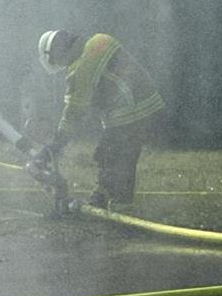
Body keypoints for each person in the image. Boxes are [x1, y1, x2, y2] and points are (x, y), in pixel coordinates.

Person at [34, 29, 165, 208]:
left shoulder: (80, 69)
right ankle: (119, 200)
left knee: (109, 152)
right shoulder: (99, 40)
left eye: (55, 60)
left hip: (128, 110)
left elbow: (74, 112)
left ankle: (105, 199)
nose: (58, 64)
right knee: (125, 154)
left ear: (57, 52)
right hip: (150, 102)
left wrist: (56, 145)